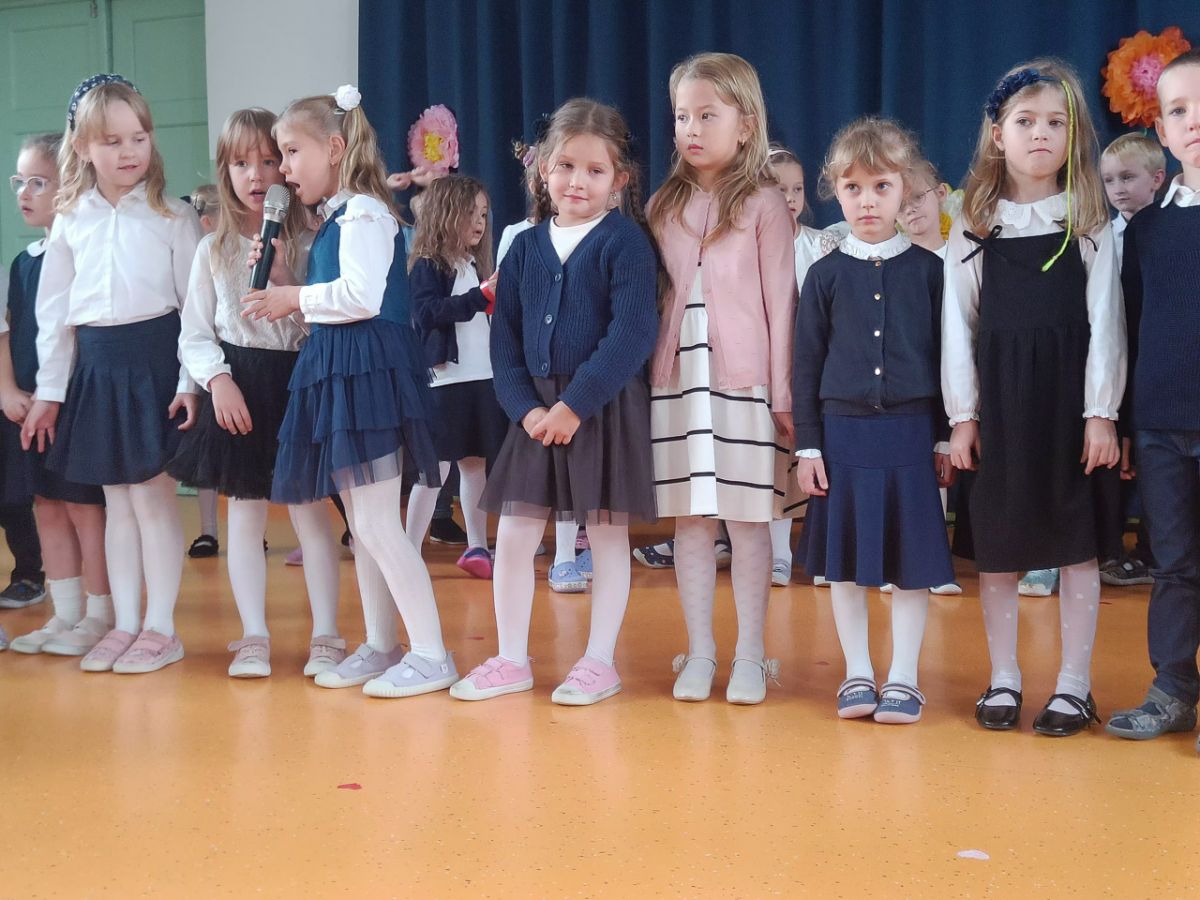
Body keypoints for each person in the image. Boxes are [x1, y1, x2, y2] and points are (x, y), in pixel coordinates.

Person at [244, 85, 457, 698]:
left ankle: (431, 653)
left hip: (369, 373)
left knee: (379, 524)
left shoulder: (365, 211)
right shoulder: (339, 216)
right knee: (363, 524)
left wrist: (293, 295)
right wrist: (285, 278)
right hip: (343, 367)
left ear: (335, 148)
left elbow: (362, 297)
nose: (283, 169)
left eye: (292, 152)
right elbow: (333, 302)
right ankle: (382, 643)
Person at [450, 98, 658, 706]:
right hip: (535, 414)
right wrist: (527, 409)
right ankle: (511, 658)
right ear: (543, 169)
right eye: (566, 166)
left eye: (595, 170)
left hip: (600, 406)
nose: (577, 181)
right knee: (515, 535)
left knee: (607, 535)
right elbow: (505, 341)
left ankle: (599, 661)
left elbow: (632, 334)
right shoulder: (522, 248)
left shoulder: (626, 243)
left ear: (619, 180)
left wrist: (575, 405)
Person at [943, 59, 1124, 735]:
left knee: (1076, 541)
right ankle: (1004, 678)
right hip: (1001, 406)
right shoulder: (973, 222)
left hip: (1068, 405)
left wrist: (1100, 412)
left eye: (1055, 122)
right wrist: (963, 417)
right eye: (1025, 121)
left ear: (1074, 136)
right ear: (998, 134)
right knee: (998, 543)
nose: (1040, 134)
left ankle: (1074, 684)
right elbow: (957, 326)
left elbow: (1106, 321)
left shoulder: (1089, 219)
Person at [23, 74, 203, 674]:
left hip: (154, 365)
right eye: (113, 141)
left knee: (152, 500)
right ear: (83, 148)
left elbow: (195, 311)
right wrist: (50, 391)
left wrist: (189, 382)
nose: (129, 152)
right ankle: (125, 622)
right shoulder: (71, 219)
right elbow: (55, 317)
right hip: (97, 370)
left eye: (139, 138)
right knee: (117, 502)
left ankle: (161, 628)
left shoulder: (174, 217)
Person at [169, 108, 344, 679]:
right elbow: (196, 332)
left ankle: (326, 633)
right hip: (239, 385)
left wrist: (289, 280)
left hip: (298, 383)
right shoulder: (212, 249)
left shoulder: (314, 240)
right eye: (242, 163)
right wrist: (217, 380)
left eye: (270, 160)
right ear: (225, 170)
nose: (257, 175)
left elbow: (324, 323)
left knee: (310, 515)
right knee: (244, 516)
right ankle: (253, 636)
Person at [648, 52, 800, 705]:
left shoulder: (765, 204)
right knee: (690, 521)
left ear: (746, 124)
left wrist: (784, 394)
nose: (692, 128)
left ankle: (750, 655)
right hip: (677, 385)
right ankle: (701, 652)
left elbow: (782, 305)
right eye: (682, 115)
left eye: (708, 115)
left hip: (745, 386)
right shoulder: (662, 205)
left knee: (746, 520)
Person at [794, 119, 954, 724]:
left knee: (912, 562)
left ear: (904, 190)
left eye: (881, 187)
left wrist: (946, 435)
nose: (867, 201)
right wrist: (809, 447)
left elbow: (947, 360)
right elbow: (806, 365)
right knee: (845, 562)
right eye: (853, 188)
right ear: (835, 191)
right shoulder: (824, 275)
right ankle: (857, 672)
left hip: (911, 434)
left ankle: (904, 677)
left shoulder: (931, 272)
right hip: (843, 437)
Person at [2, 131, 109, 655]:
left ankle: (101, 613)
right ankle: (64, 614)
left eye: (39, 183)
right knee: (45, 503)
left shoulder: (84, 253)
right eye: (19, 182)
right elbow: (13, 334)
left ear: (69, 186)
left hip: (74, 401)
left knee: (84, 507)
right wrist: (13, 391)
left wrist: (59, 393)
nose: (25, 193)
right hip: (31, 406)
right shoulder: (24, 263)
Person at [406, 174, 507, 578]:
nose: (479, 222)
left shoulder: (473, 263)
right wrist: (479, 297)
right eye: (471, 213)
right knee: (436, 468)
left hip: (482, 376)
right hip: (446, 380)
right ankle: (408, 551)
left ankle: (477, 546)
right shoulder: (429, 264)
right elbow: (426, 313)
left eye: (483, 214)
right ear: (446, 213)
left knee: (474, 464)